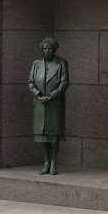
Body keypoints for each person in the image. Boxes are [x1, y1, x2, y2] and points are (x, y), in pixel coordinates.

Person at [28, 37, 69, 175]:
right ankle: (46, 161)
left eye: (50, 49)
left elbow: (64, 83)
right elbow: (30, 81)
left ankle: (53, 162)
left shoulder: (61, 63)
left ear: (54, 49)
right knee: (42, 135)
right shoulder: (36, 63)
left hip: (54, 103)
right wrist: (38, 94)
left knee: (53, 135)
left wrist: (51, 96)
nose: (47, 51)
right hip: (39, 103)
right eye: (45, 49)